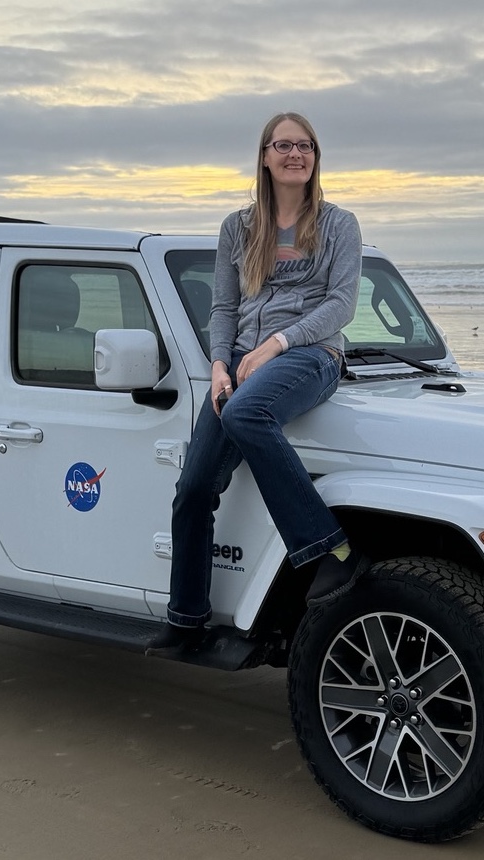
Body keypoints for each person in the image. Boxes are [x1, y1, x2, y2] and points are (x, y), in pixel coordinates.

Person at [148, 112, 367, 651]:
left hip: (311, 355)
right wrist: (218, 366)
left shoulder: (340, 225)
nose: (296, 154)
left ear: (315, 157)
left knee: (246, 413)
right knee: (194, 488)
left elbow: (340, 305)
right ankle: (186, 619)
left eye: (306, 146)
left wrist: (277, 344)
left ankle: (332, 550)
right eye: (284, 145)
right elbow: (223, 308)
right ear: (265, 155)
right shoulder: (237, 228)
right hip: (241, 363)